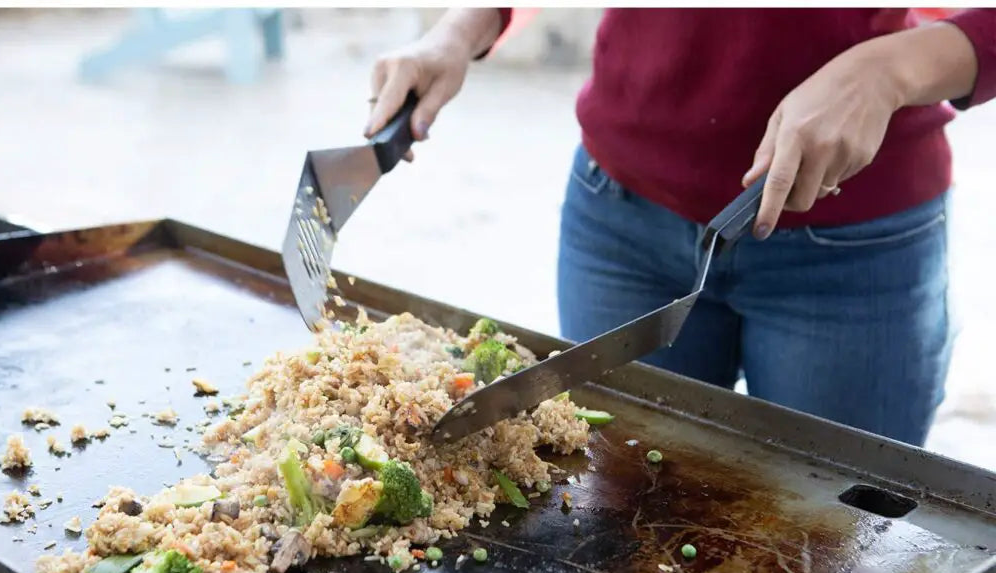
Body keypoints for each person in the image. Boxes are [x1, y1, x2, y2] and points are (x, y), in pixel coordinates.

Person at [364, 8, 995, 447]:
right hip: (620, 220)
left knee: (832, 561)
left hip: (856, 248)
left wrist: (888, 70)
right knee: (616, 518)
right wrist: (460, 26)